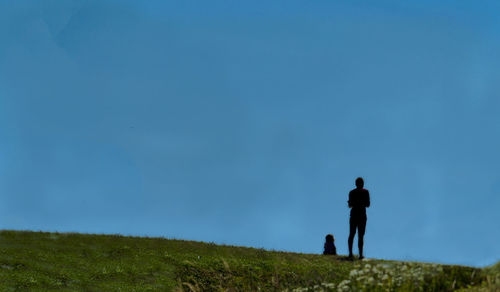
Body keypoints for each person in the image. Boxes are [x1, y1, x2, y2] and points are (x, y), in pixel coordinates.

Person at [348, 177, 370, 259]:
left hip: (356, 215)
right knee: (358, 235)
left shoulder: (352, 192)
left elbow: (350, 204)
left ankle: (353, 253)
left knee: (354, 234)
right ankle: (359, 254)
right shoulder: (365, 192)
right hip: (360, 215)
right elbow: (368, 204)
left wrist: (355, 202)